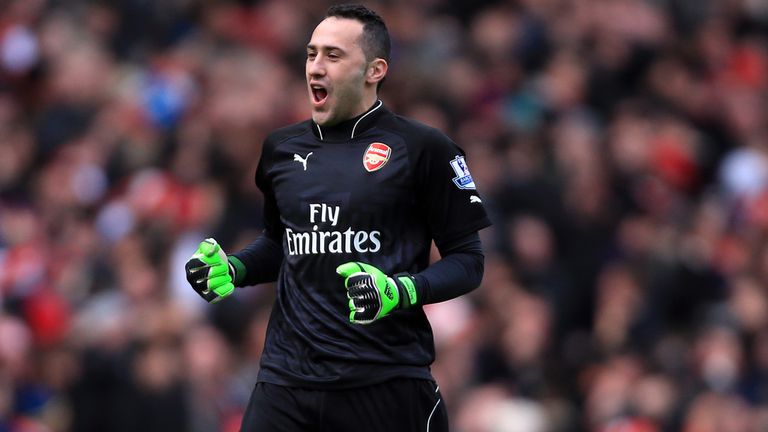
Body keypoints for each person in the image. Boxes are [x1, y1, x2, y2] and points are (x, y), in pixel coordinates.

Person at [185, 4, 491, 431]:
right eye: (311, 54)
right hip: (286, 382)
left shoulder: (425, 149)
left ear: (374, 70)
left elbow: (469, 261)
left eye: (332, 55)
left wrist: (400, 291)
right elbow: (281, 243)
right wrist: (235, 269)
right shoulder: (280, 149)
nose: (315, 67)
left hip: (384, 382)